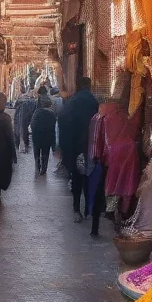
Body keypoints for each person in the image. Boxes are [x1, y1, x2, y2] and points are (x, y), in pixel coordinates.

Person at [58, 77, 99, 222]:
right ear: (89, 85)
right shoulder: (93, 101)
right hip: (90, 147)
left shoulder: (72, 102)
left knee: (76, 178)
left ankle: (77, 209)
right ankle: (89, 209)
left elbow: (63, 123)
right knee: (89, 178)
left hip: (75, 148)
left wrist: (65, 149)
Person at [29, 94, 57, 176]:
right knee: (46, 152)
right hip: (47, 137)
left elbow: (32, 124)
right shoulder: (52, 114)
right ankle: (44, 169)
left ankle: (37, 167)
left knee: (36, 151)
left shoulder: (37, 112)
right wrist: (53, 143)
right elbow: (53, 128)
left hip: (36, 136)